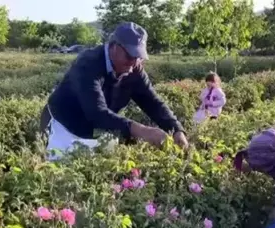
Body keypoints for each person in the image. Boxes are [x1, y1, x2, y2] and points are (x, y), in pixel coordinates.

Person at [39, 22, 188, 160]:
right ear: (114, 46)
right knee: (57, 170)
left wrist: (176, 129)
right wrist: (141, 131)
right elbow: (96, 112)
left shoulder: (134, 69)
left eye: (139, 57)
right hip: (62, 126)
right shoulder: (88, 63)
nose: (134, 63)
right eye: (130, 55)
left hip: (90, 130)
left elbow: (153, 102)